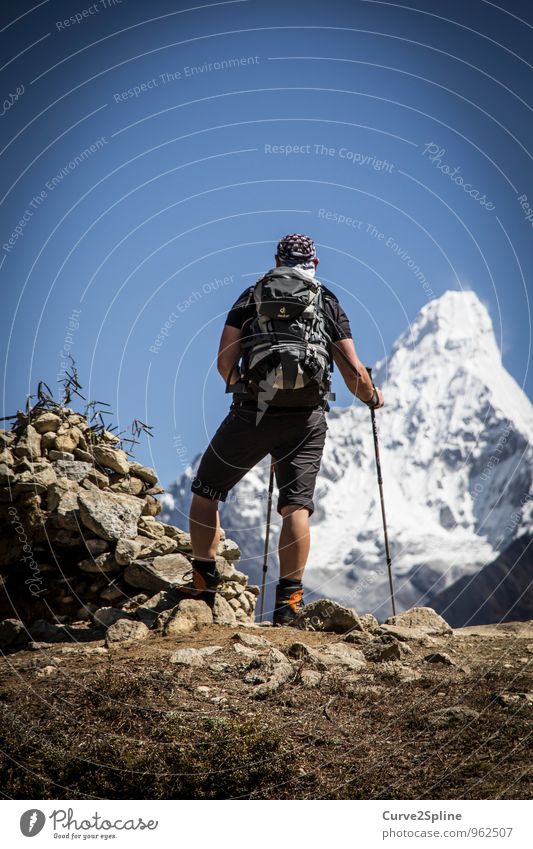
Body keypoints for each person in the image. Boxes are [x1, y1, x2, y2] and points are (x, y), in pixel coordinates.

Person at [188, 233, 384, 626]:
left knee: (206, 493)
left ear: (277, 259)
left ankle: (202, 589)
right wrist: (372, 397)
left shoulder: (251, 296)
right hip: (307, 418)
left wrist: (246, 385)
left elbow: (224, 361)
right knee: (296, 507)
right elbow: (352, 371)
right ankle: (289, 603)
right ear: (316, 262)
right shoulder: (326, 301)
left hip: (252, 414)